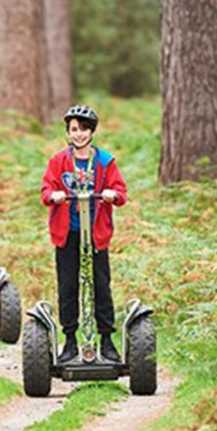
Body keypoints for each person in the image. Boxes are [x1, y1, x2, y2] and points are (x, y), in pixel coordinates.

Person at [40, 105, 127, 363]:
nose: (79, 134)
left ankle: (107, 340)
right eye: (74, 129)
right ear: (68, 132)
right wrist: (54, 196)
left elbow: (120, 192)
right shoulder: (59, 161)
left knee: (101, 286)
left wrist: (113, 194)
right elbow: (46, 190)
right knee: (68, 287)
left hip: (96, 235)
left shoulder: (104, 161)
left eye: (84, 129)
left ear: (92, 132)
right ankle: (69, 341)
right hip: (68, 234)